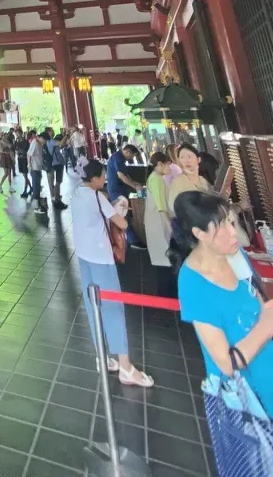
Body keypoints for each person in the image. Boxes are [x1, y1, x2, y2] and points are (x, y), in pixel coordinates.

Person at [173, 190, 273, 417]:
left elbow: (259, 306)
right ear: (200, 233)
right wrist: (266, 328)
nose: (233, 233)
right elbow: (227, 364)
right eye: (222, 227)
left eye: (232, 222)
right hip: (247, 400)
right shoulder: (192, 283)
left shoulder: (234, 255)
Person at [71, 160, 154, 387]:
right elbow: (123, 225)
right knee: (113, 308)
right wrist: (122, 211)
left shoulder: (77, 193)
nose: (104, 180)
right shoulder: (98, 197)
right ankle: (125, 366)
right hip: (101, 258)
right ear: (96, 178)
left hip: (84, 256)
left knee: (92, 305)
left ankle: (102, 356)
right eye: (102, 177)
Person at [144, 152, 176, 297]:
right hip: (159, 222)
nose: (170, 166)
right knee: (164, 258)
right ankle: (165, 295)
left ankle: (165, 293)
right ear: (160, 164)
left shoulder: (155, 177)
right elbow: (161, 206)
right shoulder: (157, 179)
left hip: (156, 221)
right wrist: (170, 226)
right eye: (168, 163)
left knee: (162, 259)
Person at [168, 143, 211, 214]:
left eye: (189, 157)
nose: (186, 161)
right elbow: (174, 207)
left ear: (198, 159)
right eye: (182, 157)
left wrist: (223, 195)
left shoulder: (203, 180)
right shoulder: (178, 182)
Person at [44, 128, 67, 209]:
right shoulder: (51, 141)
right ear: (48, 132)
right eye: (52, 131)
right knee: (58, 182)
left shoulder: (46, 142)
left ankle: (54, 197)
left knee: (52, 182)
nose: (53, 132)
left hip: (50, 164)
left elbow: (59, 146)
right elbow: (61, 143)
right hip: (57, 163)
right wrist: (66, 135)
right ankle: (57, 200)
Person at [28, 130, 47, 214]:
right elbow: (29, 154)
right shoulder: (35, 143)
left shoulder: (40, 143)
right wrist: (29, 165)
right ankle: (36, 207)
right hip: (34, 168)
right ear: (41, 138)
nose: (45, 142)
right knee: (36, 187)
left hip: (38, 168)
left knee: (38, 186)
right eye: (45, 140)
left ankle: (37, 204)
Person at [14, 130, 31, 198]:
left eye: (18, 134)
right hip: (20, 159)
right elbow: (15, 149)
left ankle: (25, 190)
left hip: (24, 159)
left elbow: (27, 150)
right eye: (16, 134)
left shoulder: (25, 142)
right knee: (24, 176)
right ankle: (31, 188)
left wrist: (21, 151)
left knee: (25, 176)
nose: (17, 135)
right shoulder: (16, 141)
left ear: (21, 134)